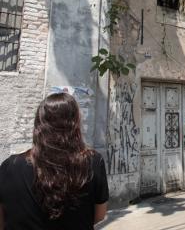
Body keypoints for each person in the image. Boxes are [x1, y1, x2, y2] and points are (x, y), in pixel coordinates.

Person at [0, 93, 109, 230]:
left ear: (39, 124)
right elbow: (99, 215)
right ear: (75, 124)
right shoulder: (93, 162)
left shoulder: (10, 166)